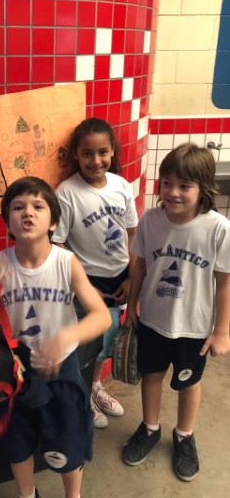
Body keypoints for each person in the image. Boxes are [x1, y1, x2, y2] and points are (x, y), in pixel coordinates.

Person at [0, 176, 111, 498]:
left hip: (61, 370)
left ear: (53, 223)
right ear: (8, 221)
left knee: (68, 443)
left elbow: (102, 316)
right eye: (18, 207)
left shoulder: (65, 262)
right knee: (17, 442)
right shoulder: (0, 264)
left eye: (38, 206)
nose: (28, 212)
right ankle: (27, 494)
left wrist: (65, 337)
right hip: (16, 372)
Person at [123, 143, 230, 482]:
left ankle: (184, 435)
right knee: (151, 375)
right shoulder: (150, 220)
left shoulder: (218, 229)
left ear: (204, 188)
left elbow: (224, 283)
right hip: (153, 319)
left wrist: (222, 331)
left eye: (184, 185)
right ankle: (150, 428)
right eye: (167, 182)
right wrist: (132, 306)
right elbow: (139, 267)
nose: (172, 192)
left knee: (189, 382)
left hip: (194, 327)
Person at [52, 118, 138, 428]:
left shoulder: (121, 186)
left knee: (109, 337)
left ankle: (95, 387)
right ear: (75, 154)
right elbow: (58, 241)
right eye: (87, 153)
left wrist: (132, 277)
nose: (96, 160)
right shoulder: (67, 192)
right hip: (88, 281)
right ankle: (83, 394)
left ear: (113, 151)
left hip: (121, 278)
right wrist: (81, 284)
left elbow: (132, 234)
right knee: (87, 344)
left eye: (102, 152)